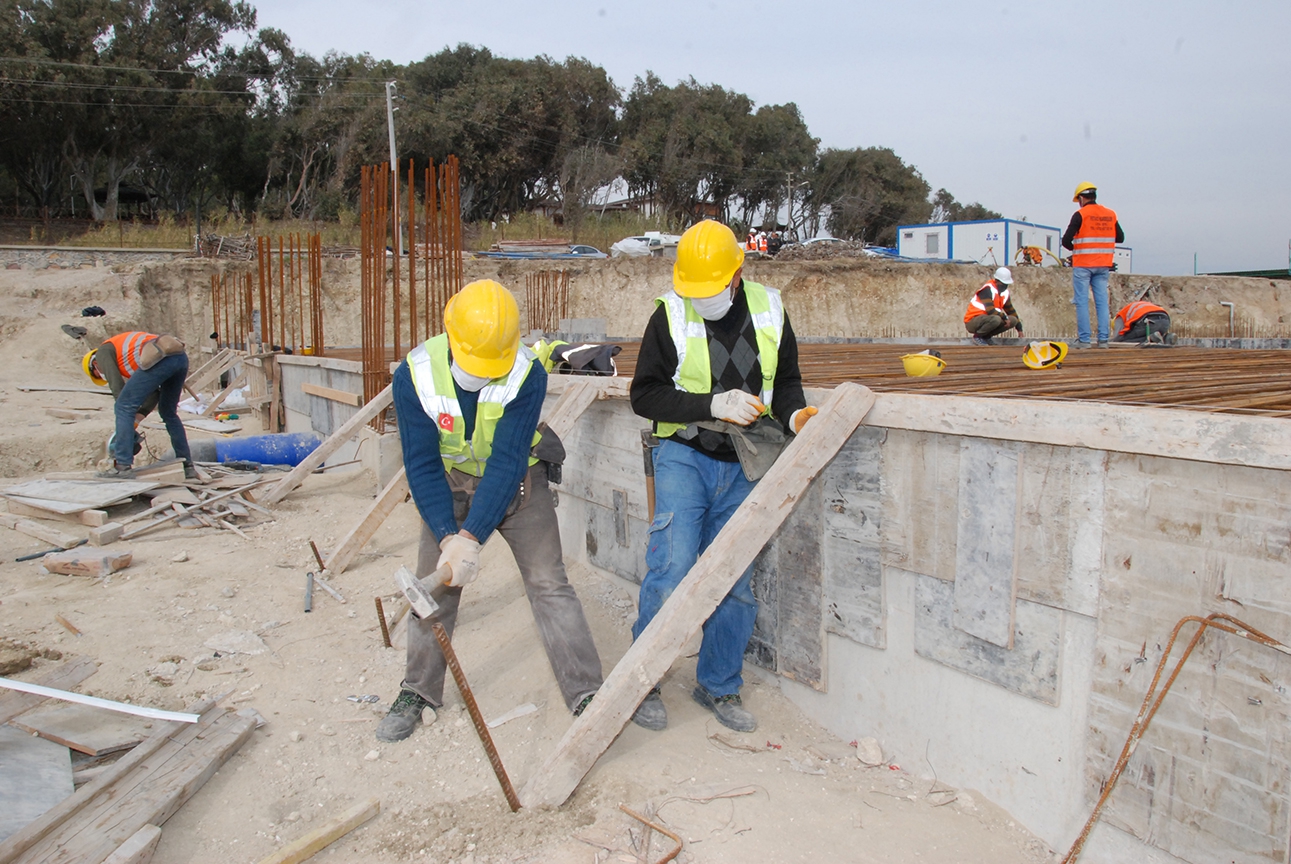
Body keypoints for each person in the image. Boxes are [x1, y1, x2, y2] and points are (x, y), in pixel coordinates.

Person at [377, 279, 604, 743]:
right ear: (450, 333)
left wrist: (471, 536)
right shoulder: (415, 374)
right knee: (436, 585)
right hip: (449, 480)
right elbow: (419, 462)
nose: (482, 372)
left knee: (549, 582)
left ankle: (587, 691)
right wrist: (447, 535)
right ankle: (417, 690)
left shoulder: (525, 372)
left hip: (519, 481)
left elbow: (507, 461)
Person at [628, 220, 816, 733]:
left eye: (712, 289)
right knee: (673, 566)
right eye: (695, 290)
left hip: (745, 462)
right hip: (684, 454)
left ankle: (719, 684)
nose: (702, 298)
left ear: (737, 274)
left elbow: (788, 381)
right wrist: (713, 403)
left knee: (734, 578)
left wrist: (796, 415)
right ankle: (640, 682)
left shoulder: (770, 308)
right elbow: (644, 394)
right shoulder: (668, 314)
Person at [84, 331, 193, 479]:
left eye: (99, 374)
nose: (103, 376)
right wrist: (135, 421)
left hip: (160, 355)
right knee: (168, 412)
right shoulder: (130, 359)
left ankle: (122, 466)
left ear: (95, 364)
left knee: (122, 406)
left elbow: (117, 388)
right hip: (179, 358)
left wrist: (126, 424)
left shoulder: (102, 352)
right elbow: (154, 394)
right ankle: (188, 466)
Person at [1062, 182, 1125, 348]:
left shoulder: (1080, 215)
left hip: (1083, 265)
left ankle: (1084, 341)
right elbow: (1120, 237)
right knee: (1102, 302)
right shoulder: (1110, 214)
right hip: (1103, 265)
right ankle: (1103, 341)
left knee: (1082, 302)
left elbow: (1066, 241)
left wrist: (1078, 247)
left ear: (1082, 198)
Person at [964, 267, 1024, 346]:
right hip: (972, 321)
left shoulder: (1004, 293)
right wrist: (1004, 317)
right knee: (996, 319)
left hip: (988, 319)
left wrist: (1019, 329)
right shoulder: (987, 289)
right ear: (997, 281)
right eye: (1003, 283)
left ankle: (986, 337)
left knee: (1013, 320)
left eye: (1006, 284)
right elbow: (990, 311)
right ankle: (978, 337)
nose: (1005, 286)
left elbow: (1011, 311)